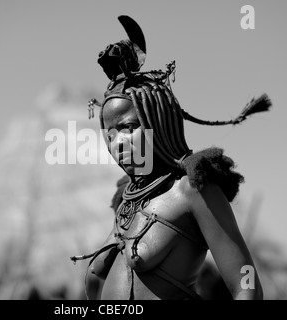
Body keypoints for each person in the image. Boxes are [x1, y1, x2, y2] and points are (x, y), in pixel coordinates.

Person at [71, 15, 271, 300]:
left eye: (128, 128)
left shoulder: (193, 191)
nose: (118, 143)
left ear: (159, 122)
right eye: (110, 134)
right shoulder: (127, 203)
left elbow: (246, 285)